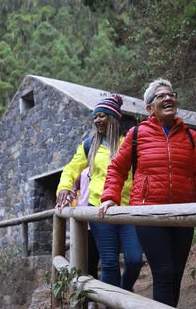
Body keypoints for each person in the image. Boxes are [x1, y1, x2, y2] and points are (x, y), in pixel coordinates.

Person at [100, 78, 196, 307]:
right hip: (148, 214)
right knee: (163, 272)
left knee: (175, 275)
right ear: (149, 108)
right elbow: (116, 168)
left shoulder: (191, 137)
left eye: (171, 94)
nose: (168, 98)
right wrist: (110, 198)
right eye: (161, 96)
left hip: (184, 214)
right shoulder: (136, 134)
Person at [55, 94, 143, 293]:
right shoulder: (89, 145)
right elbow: (71, 169)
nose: (97, 120)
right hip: (98, 210)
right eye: (95, 117)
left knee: (134, 259)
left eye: (101, 116)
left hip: (127, 208)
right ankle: (112, 304)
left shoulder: (128, 142)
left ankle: (124, 291)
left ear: (113, 118)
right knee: (110, 263)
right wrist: (64, 187)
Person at [68, 167, 100, 280]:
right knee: (89, 259)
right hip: (84, 220)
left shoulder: (106, 162)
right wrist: (65, 200)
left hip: (101, 217)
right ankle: (89, 293)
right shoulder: (82, 168)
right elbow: (72, 189)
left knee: (104, 258)